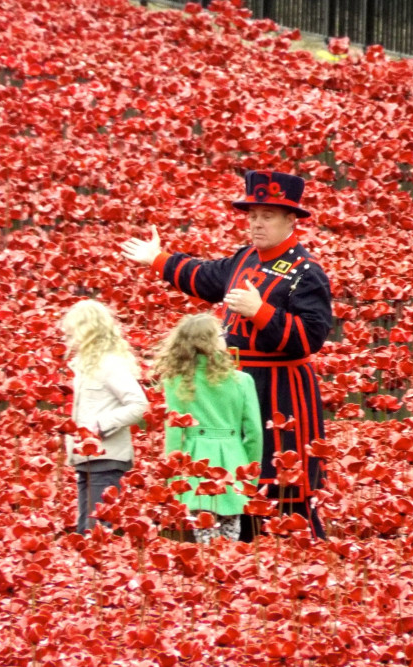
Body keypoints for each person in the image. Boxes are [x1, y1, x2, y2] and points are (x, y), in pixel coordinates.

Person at [121, 170, 333, 539]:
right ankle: (240, 541)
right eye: (252, 215)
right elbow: (204, 276)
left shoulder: (305, 271)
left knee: (281, 475)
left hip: (283, 390)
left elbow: (311, 337)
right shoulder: (245, 258)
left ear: (290, 220)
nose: (256, 223)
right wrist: (158, 259)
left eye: (267, 216)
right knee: (237, 471)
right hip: (235, 385)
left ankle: (291, 542)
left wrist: (260, 311)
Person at [153, 313, 262, 543]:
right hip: (234, 463)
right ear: (209, 342)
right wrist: (251, 474)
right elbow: (254, 434)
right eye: (221, 334)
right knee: (231, 536)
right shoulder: (242, 381)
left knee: (204, 538)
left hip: (194, 466)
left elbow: (174, 433)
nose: (226, 337)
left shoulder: (175, 381)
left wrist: (172, 479)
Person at [62, 299, 149, 533]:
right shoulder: (86, 365)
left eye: (74, 330)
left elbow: (139, 404)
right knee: (86, 531)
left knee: (96, 532)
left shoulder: (109, 364)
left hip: (106, 458)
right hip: (88, 460)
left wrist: (99, 427)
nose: (69, 336)